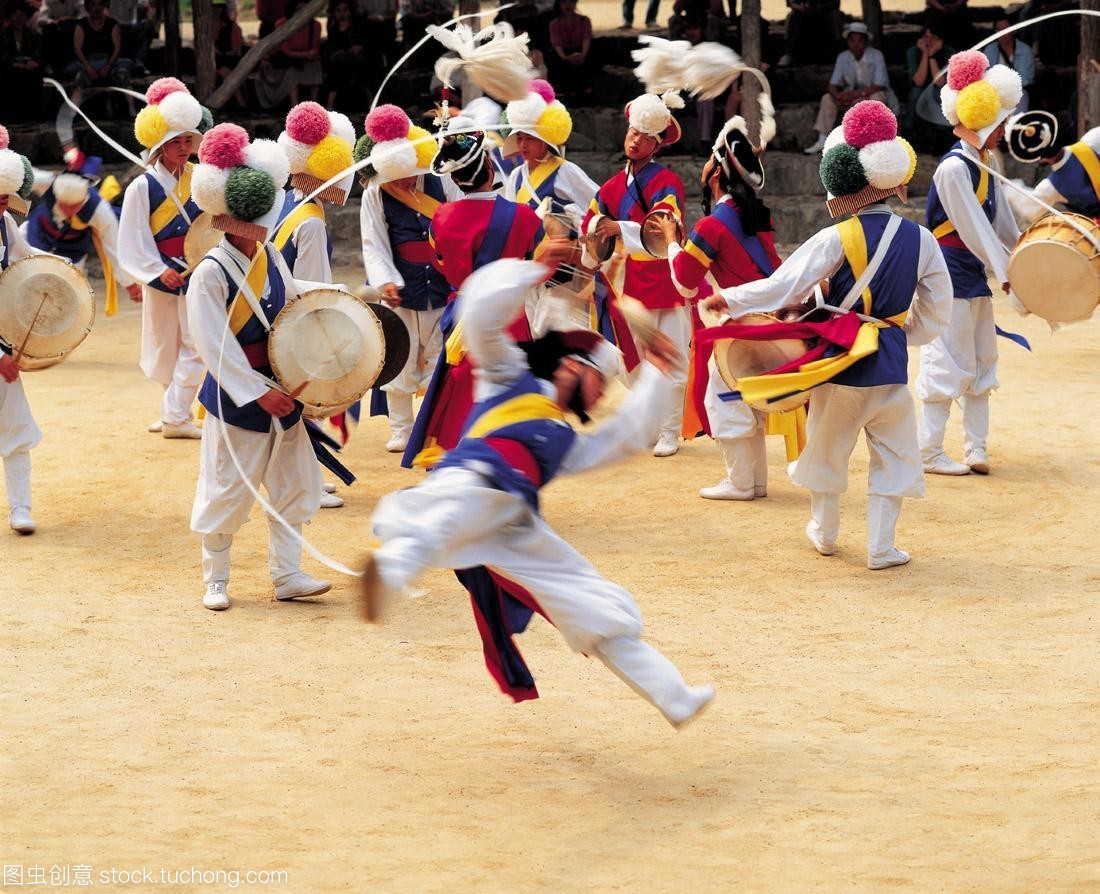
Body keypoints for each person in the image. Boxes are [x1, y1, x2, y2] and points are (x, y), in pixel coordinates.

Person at [362, 258, 715, 729]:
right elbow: (481, 315)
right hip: (471, 482)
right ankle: (388, 571)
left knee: (592, 603)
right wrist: (535, 269)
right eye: (600, 382)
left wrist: (656, 371)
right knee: (446, 513)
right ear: (572, 365)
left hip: (514, 523)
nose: (600, 396)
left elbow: (630, 434)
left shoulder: (566, 440)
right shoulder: (506, 376)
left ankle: (674, 696)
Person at [702, 101, 952, 569]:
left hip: (838, 361)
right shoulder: (923, 239)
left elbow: (782, 287)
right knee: (895, 455)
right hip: (890, 364)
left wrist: (730, 300)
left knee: (826, 449)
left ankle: (825, 533)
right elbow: (937, 313)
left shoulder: (836, 236)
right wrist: (901, 334)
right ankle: (882, 547)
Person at [185, 125, 333, 612]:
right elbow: (213, 345)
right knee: (226, 488)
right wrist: (255, 392)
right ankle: (215, 580)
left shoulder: (268, 255)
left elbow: (291, 298)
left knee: (293, 483)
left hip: (283, 385)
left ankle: (287, 574)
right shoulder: (210, 273)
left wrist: (341, 302)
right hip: (237, 398)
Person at [401, 120, 551, 471]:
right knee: (508, 391)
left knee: (461, 390)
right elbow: (534, 258)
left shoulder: (442, 217)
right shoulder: (523, 216)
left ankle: (456, 456)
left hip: (463, 318)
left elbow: (440, 263)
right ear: (489, 168)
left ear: (455, 179)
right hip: (509, 317)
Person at [666, 104, 784, 500]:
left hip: (735, 326)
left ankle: (740, 482)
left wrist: (671, 242)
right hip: (766, 321)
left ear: (716, 174)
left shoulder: (711, 225)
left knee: (725, 400)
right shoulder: (757, 218)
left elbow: (685, 283)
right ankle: (756, 481)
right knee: (748, 401)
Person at [916, 52, 1025, 477]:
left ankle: (976, 447)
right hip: (948, 274)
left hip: (973, 273)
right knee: (947, 359)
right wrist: (1007, 271)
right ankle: (929, 450)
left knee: (982, 358)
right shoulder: (953, 169)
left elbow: (1002, 223)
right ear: (983, 120)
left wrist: (1026, 256)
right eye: (1000, 124)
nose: (1003, 132)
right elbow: (975, 229)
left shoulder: (985, 163)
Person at [581, 91, 688, 457]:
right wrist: (595, 233)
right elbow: (591, 222)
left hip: (664, 282)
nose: (635, 140)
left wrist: (619, 228)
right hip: (626, 283)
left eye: (645, 136)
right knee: (636, 361)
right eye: (632, 132)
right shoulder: (611, 187)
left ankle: (670, 431)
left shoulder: (667, 181)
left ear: (657, 144)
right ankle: (652, 425)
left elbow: (663, 226)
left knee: (671, 356)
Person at [359, 104, 462, 454]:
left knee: (440, 357)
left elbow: (460, 223)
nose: (402, 183)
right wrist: (385, 281)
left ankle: (432, 425)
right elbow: (373, 242)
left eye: (406, 175)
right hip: (402, 285)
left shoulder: (442, 180)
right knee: (400, 357)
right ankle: (401, 428)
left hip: (443, 281)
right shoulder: (375, 192)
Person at [274, 101, 359, 507]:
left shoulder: (284, 201)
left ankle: (306, 476)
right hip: (296, 319)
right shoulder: (310, 220)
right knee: (305, 403)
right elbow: (314, 290)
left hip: (274, 310)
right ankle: (304, 483)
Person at [119, 78, 210, 439]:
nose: (184, 148)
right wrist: (156, 272)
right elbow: (133, 236)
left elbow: (210, 226)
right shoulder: (142, 186)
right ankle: (174, 409)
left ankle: (174, 415)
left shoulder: (201, 177)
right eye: (176, 142)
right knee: (164, 346)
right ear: (160, 145)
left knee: (197, 344)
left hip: (197, 272)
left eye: (188, 140)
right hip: (162, 275)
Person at [500, 79, 598, 334]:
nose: (523, 145)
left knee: (556, 334)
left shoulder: (566, 171)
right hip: (530, 266)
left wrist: (574, 228)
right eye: (519, 138)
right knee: (533, 331)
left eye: (529, 138)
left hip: (562, 270)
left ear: (544, 139)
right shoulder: (516, 176)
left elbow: (599, 206)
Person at [22, 155, 139, 316]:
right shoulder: (46, 182)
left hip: (72, 249)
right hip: (36, 234)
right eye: (64, 205)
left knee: (67, 298)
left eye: (75, 206)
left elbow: (114, 248)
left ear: (84, 198)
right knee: (23, 279)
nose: (68, 211)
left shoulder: (99, 210)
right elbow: (18, 171)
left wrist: (130, 284)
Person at [0, 131, 41, 534]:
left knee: (15, 426)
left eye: (6, 197)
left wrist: (62, 274)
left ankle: (20, 507)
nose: (3, 204)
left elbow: (27, 261)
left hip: (2, 340)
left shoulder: (5, 223)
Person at [804, 23, 892, 155]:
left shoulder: (876, 56)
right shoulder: (843, 57)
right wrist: (838, 96)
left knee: (877, 98)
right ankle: (822, 140)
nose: (856, 45)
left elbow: (879, 84)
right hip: (852, 97)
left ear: (866, 42)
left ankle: (869, 143)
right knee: (827, 98)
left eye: (860, 41)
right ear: (848, 42)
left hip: (868, 94)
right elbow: (832, 85)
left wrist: (854, 95)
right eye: (852, 41)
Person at [1005, 115, 1100, 225]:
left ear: (1036, 158)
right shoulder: (1093, 139)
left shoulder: (1051, 187)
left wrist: (1007, 187)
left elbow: (1030, 209)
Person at [66, 0, 133, 97]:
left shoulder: (112, 23)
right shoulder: (82, 24)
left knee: (124, 70)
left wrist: (108, 65)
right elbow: (77, 49)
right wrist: (88, 68)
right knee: (76, 73)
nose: (96, 8)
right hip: (87, 62)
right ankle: (75, 103)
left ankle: (131, 105)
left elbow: (117, 48)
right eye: (93, 5)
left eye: (100, 5)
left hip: (108, 61)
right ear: (88, 7)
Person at [905, 22, 953, 134]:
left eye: (933, 37)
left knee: (939, 92)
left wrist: (932, 55)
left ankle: (941, 131)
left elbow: (940, 83)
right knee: (916, 92)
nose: (929, 41)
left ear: (940, 39)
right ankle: (910, 130)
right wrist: (925, 54)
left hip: (939, 90)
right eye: (926, 37)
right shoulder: (913, 51)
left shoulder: (948, 52)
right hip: (919, 89)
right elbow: (919, 82)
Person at [1, 3, 44, 122]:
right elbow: (3, 57)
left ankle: (33, 115)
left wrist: (34, 62)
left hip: (29, 68)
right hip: (9, 69)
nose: (19, 18)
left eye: (22, 15)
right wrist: (18, 65)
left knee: (34, 75)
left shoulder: (33, 34)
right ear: (10, 16)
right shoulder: (3, 34)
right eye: (15, 15)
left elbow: (38, 55)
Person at [982, 18, 1034, 114]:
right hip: (993, 92)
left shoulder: (1025, 50)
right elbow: (984, 75)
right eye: (998, 29)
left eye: (1005, 29)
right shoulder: (990, 49)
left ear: (1013, 30)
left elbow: (1026, 79)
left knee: (1021, 97)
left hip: (1017, 92)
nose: (1002, 33)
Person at [322, 0, 366, 108]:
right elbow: (331, 45)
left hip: (354, 58)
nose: (342, 13)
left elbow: (363, 43)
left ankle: (370, 102)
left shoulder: (357, 26)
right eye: (338, 11)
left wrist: (356, 48)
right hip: (338, 60)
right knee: (335, 68)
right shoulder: (333, 27)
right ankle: (330, 105)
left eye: (345, 10)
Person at [547, 0, 594, 101]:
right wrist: (565, 57)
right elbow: (557, 44)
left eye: (571, 2)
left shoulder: (584, 20)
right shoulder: (554, 23)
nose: (567, 5)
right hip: (564, 53)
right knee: (554, 59)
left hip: (581, 50)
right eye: (564, 2)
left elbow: (586, 39)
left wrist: (583, 55)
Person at [778, 0, 840, 66]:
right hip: (802, 12)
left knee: (834, 15)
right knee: (791, 16)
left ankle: (838, 52)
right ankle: (788, 54)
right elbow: (791, 3)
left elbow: (836, 3)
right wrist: (801, 8)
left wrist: (819, 8)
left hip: (825, 11)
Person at [213, 0, 245, 109]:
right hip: (215, 60)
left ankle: (241, 104)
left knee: (225, 71)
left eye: (217, 13)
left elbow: (235, 49)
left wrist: (221, 53)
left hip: (229, 59)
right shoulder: (208, 29)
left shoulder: (232, 28)